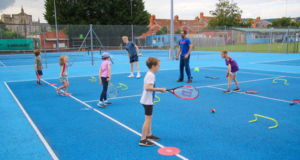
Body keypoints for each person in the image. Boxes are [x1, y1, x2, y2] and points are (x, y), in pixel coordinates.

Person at [139, 57, 166, 146]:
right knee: (148, 119)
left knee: (150, 118)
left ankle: (149, 134)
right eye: (158, 66)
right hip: (147, 101)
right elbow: (147, 88)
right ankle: (143, 139)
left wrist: (152, 100)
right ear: (153, 66)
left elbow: (148, 89)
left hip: (147, 100)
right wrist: (159, 89)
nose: (159, 67)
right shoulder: (151, 75)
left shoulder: (149, 74)